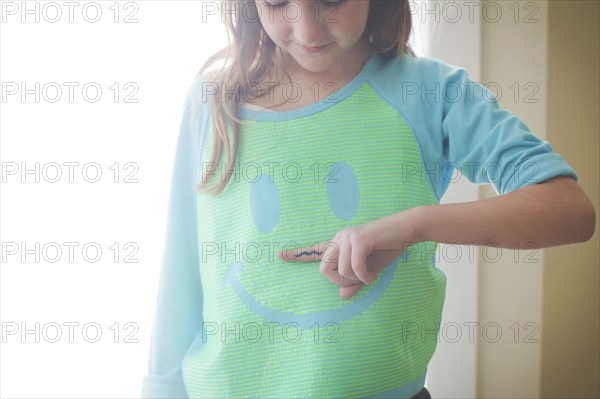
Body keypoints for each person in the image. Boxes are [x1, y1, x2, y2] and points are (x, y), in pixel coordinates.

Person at [141, 1, 596, 398]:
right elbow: (181, 274)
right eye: (278, 2)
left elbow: (569, 211)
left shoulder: (431, 92)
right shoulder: (212, 102)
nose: (307, 29)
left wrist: (413, 225)